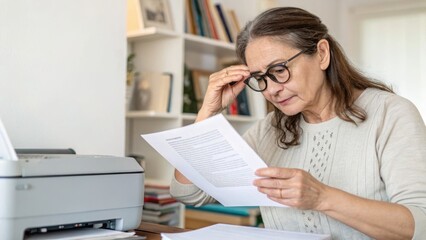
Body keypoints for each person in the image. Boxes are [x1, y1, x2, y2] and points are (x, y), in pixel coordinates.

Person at [170, 7, 426, 239]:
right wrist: (207, 114)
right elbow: (190, 193)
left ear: (322, 54)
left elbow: (420, 225)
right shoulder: (270, 129)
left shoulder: (390, 114)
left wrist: (322, 198)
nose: (271, 90)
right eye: (260, 78)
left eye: (279, 70)